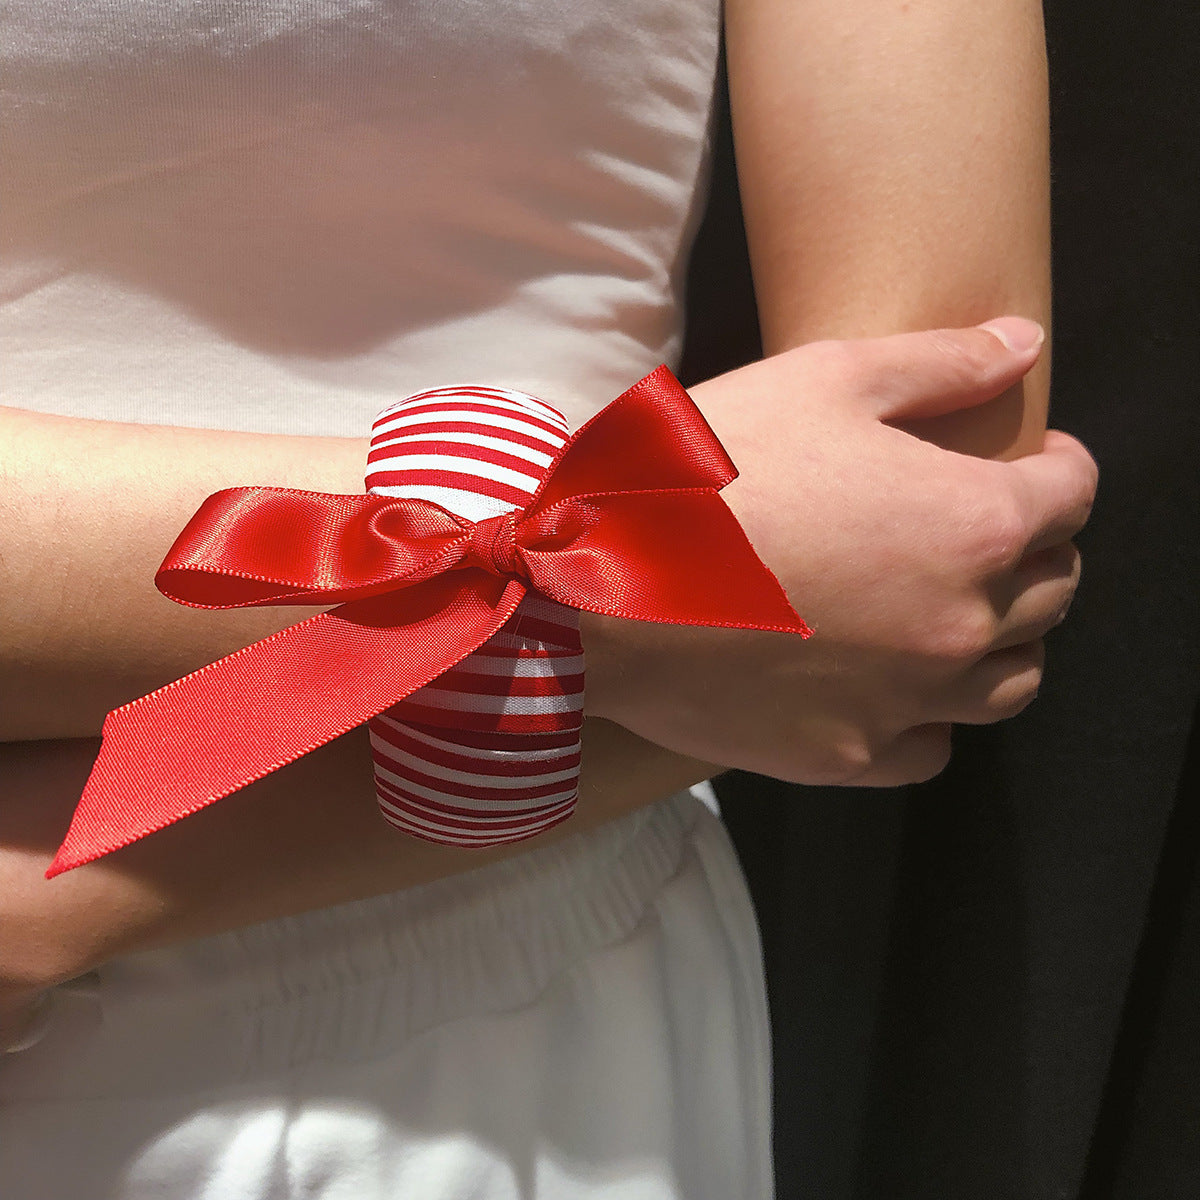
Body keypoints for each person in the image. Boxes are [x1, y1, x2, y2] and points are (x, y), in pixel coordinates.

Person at [0, 1, 1094, 1196]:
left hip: (494, 1035)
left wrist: (57, 890)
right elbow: (822, 577)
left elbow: (924, 531)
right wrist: (637, 595)